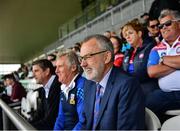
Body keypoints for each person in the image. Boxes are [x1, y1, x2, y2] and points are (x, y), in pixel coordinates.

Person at [80, 34, 145, 130]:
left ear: (106, 57)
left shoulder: (127, 85)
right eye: (81, 58)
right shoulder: (89, 85)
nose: (83, 64)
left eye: (88, 57)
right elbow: (85, 125)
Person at [146, 9, 180, 121]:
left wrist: (163, 59)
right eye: (161, 26)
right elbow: (152, 72)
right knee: (146, 103)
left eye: (168, 24)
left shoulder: (160, 54)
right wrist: (176, 63)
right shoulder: (156, 48)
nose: (163, 28)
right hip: (167, 94)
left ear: (178, 23)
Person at [121, 19, 158, 95]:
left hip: (147, 87)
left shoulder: (149, 47)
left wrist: (127, 80)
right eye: (125, 35)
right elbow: (123, 72)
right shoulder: (127, 53)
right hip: (131, 87)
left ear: (139, 33)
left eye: (130, 33)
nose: (127, 37)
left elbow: (146, 72)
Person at [54, 49, 86, 130]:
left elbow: (83, 121)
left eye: (60, 66)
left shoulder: (82, 87)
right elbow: (60, 117)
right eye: (56, 67)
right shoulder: (63, 88)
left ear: (73, 67)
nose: (56, 71)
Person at [30, 59, 61, 130]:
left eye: (36, 71)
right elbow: (40, 113)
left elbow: (51, 120)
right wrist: (27, 124)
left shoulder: (58, 86)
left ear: (47, 71)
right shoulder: (45, 88)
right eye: (33, 71)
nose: (33, 75)